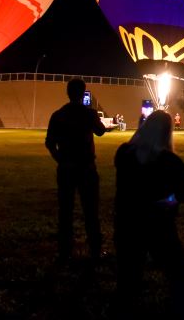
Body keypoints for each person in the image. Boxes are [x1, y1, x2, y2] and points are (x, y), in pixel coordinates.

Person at [114, 110, 184, 317]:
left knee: (128, 275)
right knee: (178, 273)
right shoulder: (168, 160)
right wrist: (171, 200)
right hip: (158, 225)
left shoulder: (124, 153)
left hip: (127, 223)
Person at [44, 78, 107, 263]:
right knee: (90, 210)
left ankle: (65, 250)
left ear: (68, 93)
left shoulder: (58, 115)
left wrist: (59, 159)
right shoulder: (89, 114)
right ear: (83, 93)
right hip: (87, 168)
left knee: (65, 210)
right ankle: (95, 249)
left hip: (66, 169)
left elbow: (49, 142)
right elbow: (101, 131)